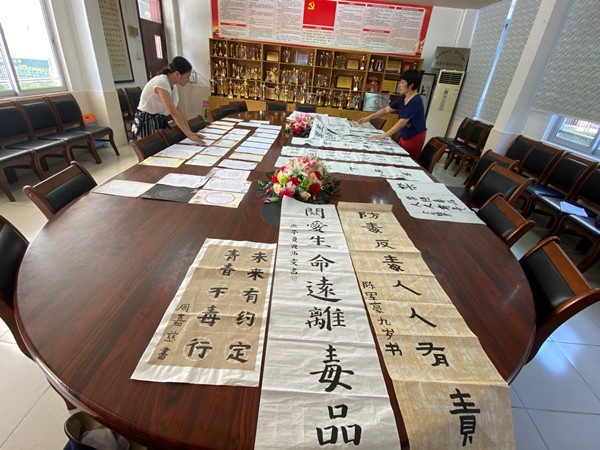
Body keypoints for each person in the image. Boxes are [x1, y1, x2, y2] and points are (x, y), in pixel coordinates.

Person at [131, 56, 205, 144]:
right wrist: (189, 135)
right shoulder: (161, 82)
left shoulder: (173, 85)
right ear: (177, 74)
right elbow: (173, 112)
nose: (188, 80)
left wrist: (190, 132)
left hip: (158, 119)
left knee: (162, 147)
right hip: (146, 121)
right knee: (151, 148)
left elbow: (179, 110)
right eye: (187, 77)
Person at [358, 69, 427, 161]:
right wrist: (369, 117)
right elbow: (387, 109)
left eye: (402, 83)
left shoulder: (415, 101)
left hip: (414, 137)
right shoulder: (403, 97)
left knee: (406, 160)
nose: (399, 85)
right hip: (405, 134)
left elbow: (402, 122)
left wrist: (384, 135)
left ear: (411, 85)